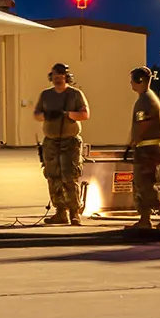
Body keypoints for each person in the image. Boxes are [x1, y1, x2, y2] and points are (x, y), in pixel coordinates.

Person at [34, 63, 90, 224]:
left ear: (66, 77)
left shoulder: (75, 94)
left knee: (70, 176)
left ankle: (74, 212)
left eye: (61, 77)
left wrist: (67, 114)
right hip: (51, 142)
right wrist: (46, 116)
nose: (58, 80)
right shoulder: (46, 95)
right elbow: (37, 114)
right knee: (53, 176)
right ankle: (60, 211)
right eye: (55, 77)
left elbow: (85, 114)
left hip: (70, 141)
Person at [128, 66, 160, 228]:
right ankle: (147, 218)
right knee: (143, 183)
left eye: (132, 80)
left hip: (147, 149)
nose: (130, 83)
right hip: (149, 147)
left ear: (139, 81)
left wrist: (133, 141)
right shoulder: (148, 98)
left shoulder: (145, 100)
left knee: (144, 184)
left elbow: (143, 124)